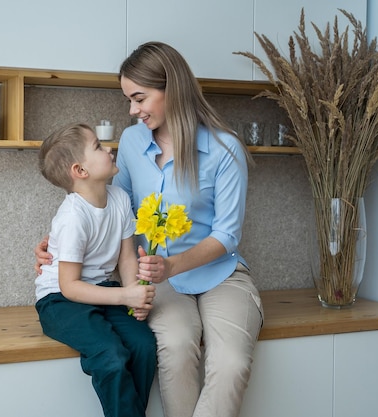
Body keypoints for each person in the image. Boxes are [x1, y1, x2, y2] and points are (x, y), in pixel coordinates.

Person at [35, 42, 264, 417]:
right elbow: (108, 207)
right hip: (157, 280)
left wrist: (172, 266)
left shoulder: (225, 148)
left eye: (139, 98)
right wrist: (55, 244)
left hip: (221, 275)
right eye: (129, 99)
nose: (132, 110)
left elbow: (227, 235)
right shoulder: (131, 141)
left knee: (232, 363)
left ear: (171, 88)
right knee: (173, 349)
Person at [35, 123, 157, 417]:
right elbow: (69, 286)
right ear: (80, 171)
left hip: (102, 291)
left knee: (143, 345)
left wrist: (135, 295)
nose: (109, 149)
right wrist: (125, 297)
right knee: (111, 356)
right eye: (99, 147)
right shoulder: (73, 217)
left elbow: (126, 258)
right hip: (59, 301)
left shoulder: (120, 199)